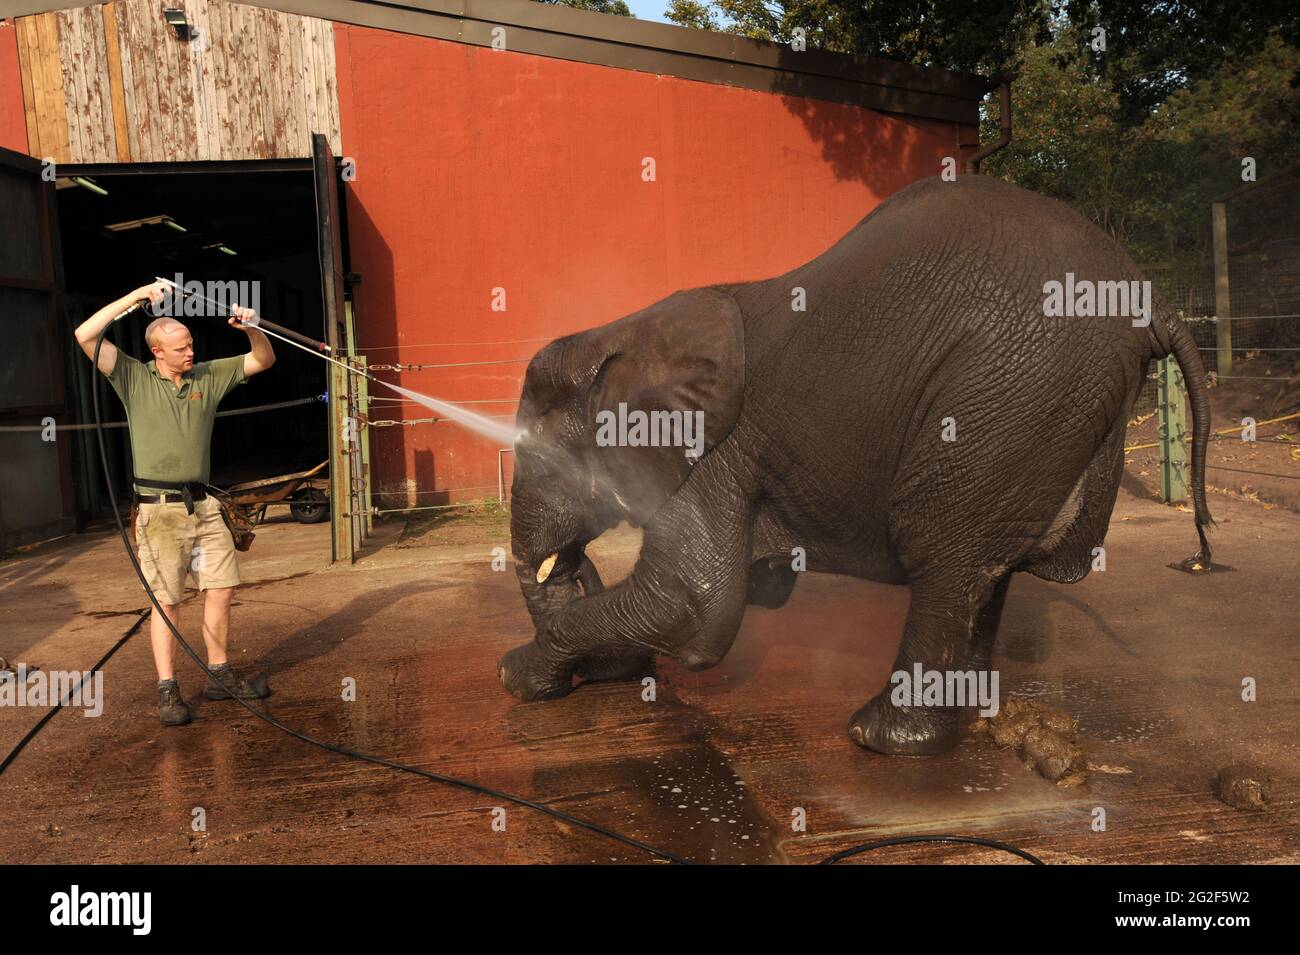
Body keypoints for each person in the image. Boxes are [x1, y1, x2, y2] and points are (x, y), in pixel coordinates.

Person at [74, 281, 277, 726]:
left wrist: (252, 328)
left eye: (191, 345)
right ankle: (167, 687)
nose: (190, 353)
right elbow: (85, 336)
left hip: (204, 505)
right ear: (157, 352)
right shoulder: (131, 376)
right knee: (167, 600)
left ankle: (218, 675)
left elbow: (263, 359)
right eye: (181, 348)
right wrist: (135, 296)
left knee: (221, 586)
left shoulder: (207, 374)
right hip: (158, 510)